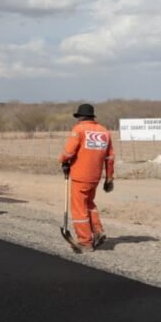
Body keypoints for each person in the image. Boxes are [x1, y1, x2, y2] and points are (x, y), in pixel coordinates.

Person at [58, 103, 115, 251]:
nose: (78, 121)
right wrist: (109, 178)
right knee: (89, 204)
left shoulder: (79, 130)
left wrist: (63, 161)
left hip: (80, 175)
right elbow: (110, 157)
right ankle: (97, 231)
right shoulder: (104, 132)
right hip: (95, 177)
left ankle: (85, 241)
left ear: (81, 117)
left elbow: (69, 152)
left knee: (79, 209)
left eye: (78, 118)